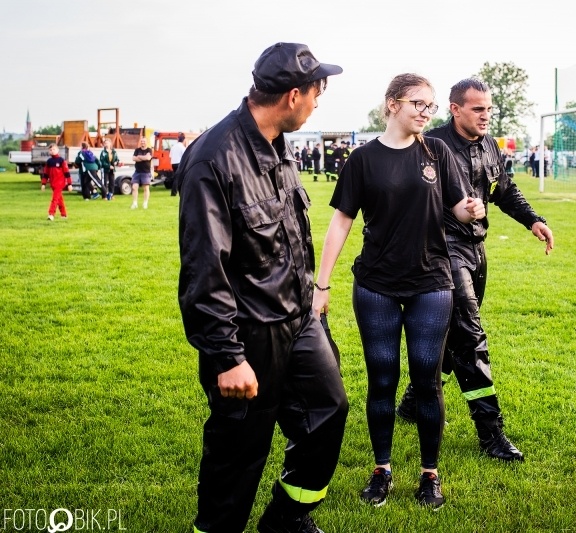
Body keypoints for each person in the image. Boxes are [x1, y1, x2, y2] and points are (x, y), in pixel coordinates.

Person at [177, 42, 347, 533]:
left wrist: (314, 297)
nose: (319, 101)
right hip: (248, 336)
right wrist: (228, 357)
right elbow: (204, 267)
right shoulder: (214, 158)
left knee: (327, 413)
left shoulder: (279, 145)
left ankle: (286, 519)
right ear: (293, 95)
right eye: (318, 92)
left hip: (299, 320)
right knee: (239, 453)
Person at [313, 73, 485, 509]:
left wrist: (469, 209)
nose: (425, 113)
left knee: (427, 378)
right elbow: (341, 222)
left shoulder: (437, 151)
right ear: (392, 104)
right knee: (383, 377)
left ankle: (430, 474)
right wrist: (322, 283)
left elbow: (458, 211)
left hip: (431, 282)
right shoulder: (363, 160)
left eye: (430, 106)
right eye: (417, 104)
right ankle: (382, 469)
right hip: (376, 285)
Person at [395, 78, 554, 463]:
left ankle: (415, 402)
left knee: (452, 335)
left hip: (476, 250)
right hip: (441, 252)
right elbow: (404, 199)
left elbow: (504, 190)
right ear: (455, 109)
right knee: (470, 336)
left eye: (489, 109)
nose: (486, 116)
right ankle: (491, 432)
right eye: (478, 109)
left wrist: (532, 219)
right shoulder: (428, 145)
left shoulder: (489, 145)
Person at [42, 143, 72, 220]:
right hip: (53, 183)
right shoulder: (49, 161)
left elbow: (67, 173)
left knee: (55, 199)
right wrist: (43, 184)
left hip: (60, 183)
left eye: (54, 149)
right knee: (59, 199)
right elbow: (46, 173)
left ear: (58, 150)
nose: (52, 151)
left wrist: (69, 184)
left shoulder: (61, 161)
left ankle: (51, 214)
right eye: (51, 150)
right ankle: (64, 214)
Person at [131, 137, 152, 209]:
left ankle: (145, 203)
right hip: (137, 172)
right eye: (141, 141)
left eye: (144, 141)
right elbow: (133, 158)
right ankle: (134, 203)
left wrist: (139, 157)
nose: (142, 143)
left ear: (146, 142)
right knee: (134, 187)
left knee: (146, 188)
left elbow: (148, 158)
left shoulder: (149, 150)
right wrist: (143, 157)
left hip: (146, 172)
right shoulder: (137, 150)